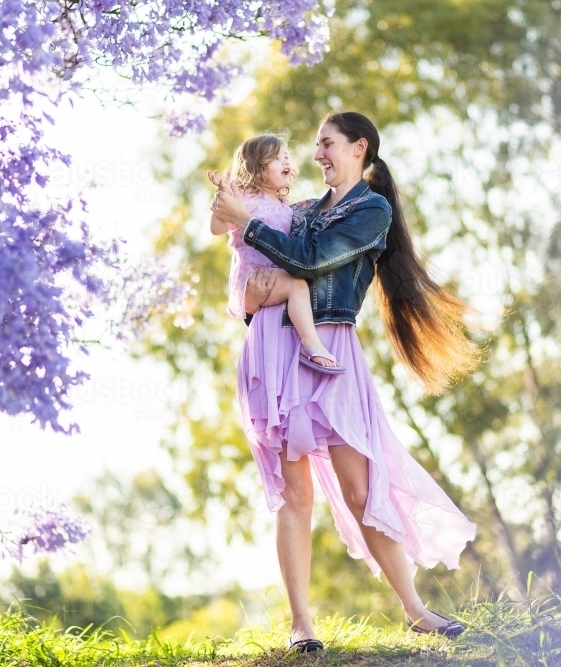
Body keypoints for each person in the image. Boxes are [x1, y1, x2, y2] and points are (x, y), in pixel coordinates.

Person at [210, 111, 480, 652]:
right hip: (276, 344)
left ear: (359, 148)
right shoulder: (302, 208)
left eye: (327, 144)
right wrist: (247, 290)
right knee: (295, 495)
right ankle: (302, 626)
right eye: (313, 146)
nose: (316, 156)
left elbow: (308, 261)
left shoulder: (370, 210)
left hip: (330, 348)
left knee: (359, 488)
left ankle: (416, 609)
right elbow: (249, 268)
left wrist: (250, 225)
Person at [210, 134, 341, 372]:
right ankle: (312, 345)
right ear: (258, 167)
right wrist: (223, 199)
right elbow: (217, 230)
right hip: (254, 276)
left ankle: (298, 346)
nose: (286, 162)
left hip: (275, 276)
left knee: (302, 286)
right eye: (277, 158)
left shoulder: (285, 206)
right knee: (297, 286)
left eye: (287, 157)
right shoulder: (245, 197)